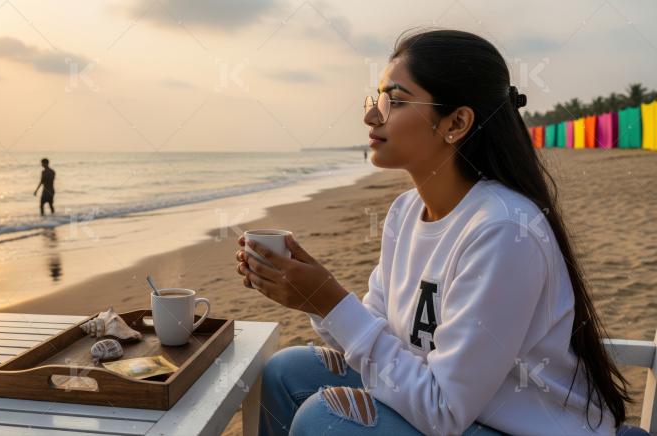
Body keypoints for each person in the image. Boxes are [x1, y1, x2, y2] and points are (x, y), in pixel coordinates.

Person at [235, 29, 632, 435]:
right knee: (286, 371)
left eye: (397, 101)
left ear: (456, 123)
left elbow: (443, 409)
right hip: (451, 405)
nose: (372, 115)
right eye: (377, 99)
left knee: (324, 419)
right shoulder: (405, 212)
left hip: (509, 425)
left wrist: (330, 302)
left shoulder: (504, 230)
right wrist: (313, 297)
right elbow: (381, 330)